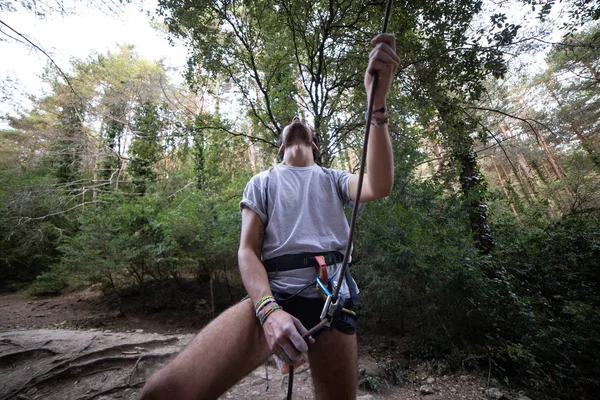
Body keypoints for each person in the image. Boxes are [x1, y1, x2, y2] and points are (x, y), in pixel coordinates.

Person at [140, 33, 398, 400]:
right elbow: (247, 250)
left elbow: (379, 185)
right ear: (280, 147)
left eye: (303, 124)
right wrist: (267, 311)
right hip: (273, 295)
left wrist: (378, 103)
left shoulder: (334, 179)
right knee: (163, 393)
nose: (296, 119)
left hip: (334, 300)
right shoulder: (261, 182)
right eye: (290, 126)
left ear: (315, 145)